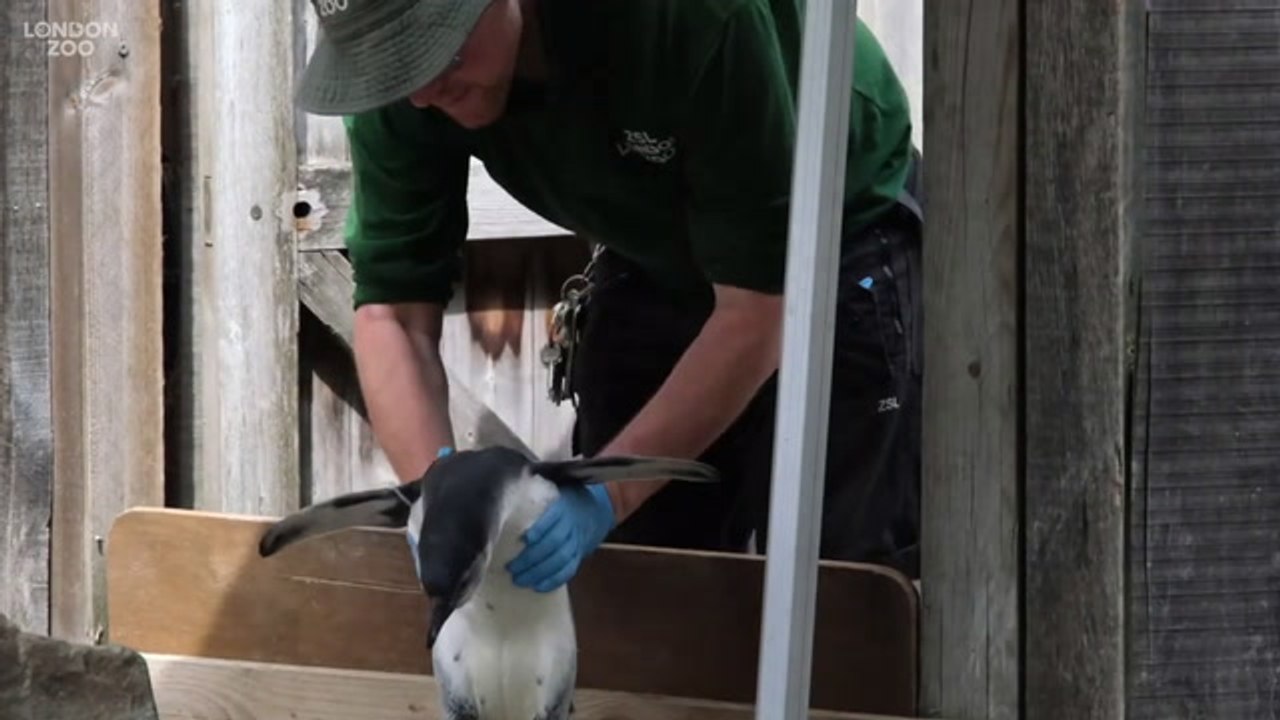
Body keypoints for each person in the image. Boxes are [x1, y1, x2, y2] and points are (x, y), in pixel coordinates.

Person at [296, 0, 924, 588]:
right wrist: (435, 501)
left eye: (441, 52)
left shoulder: (689, 16)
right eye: (397, 65)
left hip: (837, 229)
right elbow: (393, 315)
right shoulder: (401, 85)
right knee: (637, 580)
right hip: (651, 247)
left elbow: (760, 308)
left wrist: (608, 495)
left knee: (844, 588)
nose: (423, 90)